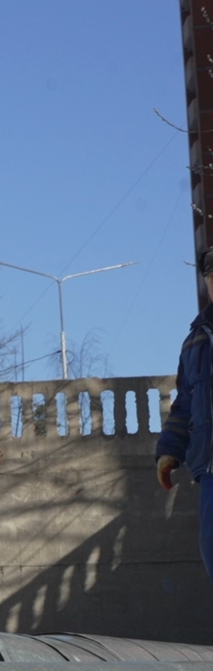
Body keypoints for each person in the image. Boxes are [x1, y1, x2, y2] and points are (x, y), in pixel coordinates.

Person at [156, 249, 213, 581]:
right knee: (211, 544)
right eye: (212, 278)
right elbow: (186, 402)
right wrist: (170, 450)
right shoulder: (195, 340)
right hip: (210, 464)